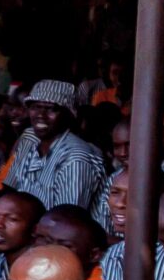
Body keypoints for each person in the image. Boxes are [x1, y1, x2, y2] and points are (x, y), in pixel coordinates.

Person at [7, 79, 105, 213]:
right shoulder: (31, 144)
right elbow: (9, 192)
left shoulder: (76, 158)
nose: (41, 115)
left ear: (69, 115)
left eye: (52, 109)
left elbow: (67, 224)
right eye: (35, 107)